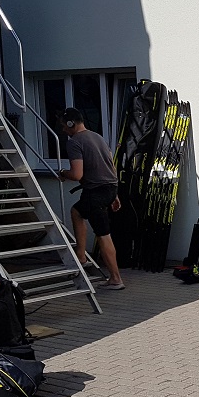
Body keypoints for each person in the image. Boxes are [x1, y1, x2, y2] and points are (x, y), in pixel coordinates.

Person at [57, 107, 125, 290]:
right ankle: (82, 254)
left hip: (95, 192)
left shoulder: (74, 142)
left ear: (71, 124)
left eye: (64, 126)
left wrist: (63, 173)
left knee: (102, 233)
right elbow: (110, 164)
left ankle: (114, 277)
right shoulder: (98, 137)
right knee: (78, 212)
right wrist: (114, 195)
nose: (63, 130)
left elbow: (78, 174)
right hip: (109, 188)